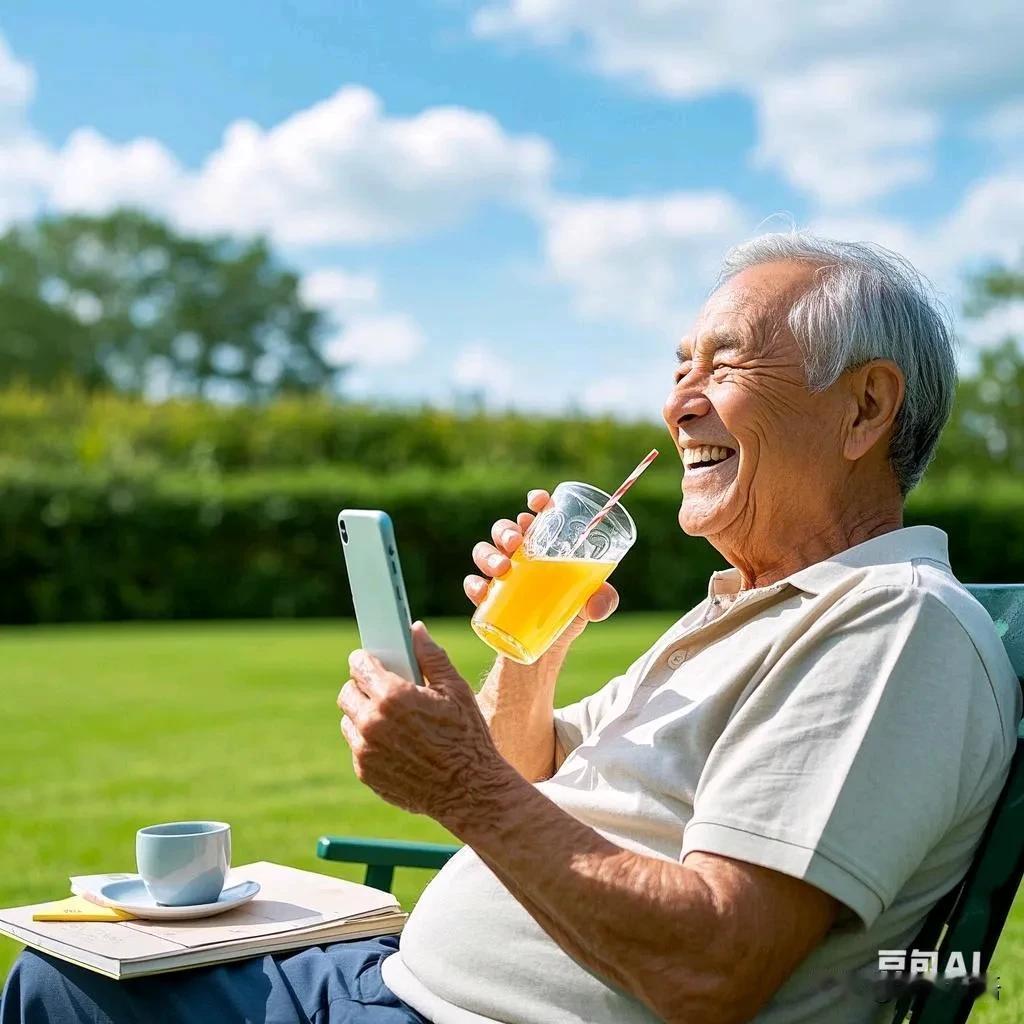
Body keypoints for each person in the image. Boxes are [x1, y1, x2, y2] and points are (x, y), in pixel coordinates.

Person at [4, 233, 1020, 1024]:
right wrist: (528, 656)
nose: (677, 403)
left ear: (863, 408)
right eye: (676, 366)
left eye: (723, 362)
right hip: (394, 982)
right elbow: (524, 766)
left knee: (60, 991)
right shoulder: (746, 615)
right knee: (85, 958)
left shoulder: (888, 626)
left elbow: (710, 966)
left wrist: (459, 785)